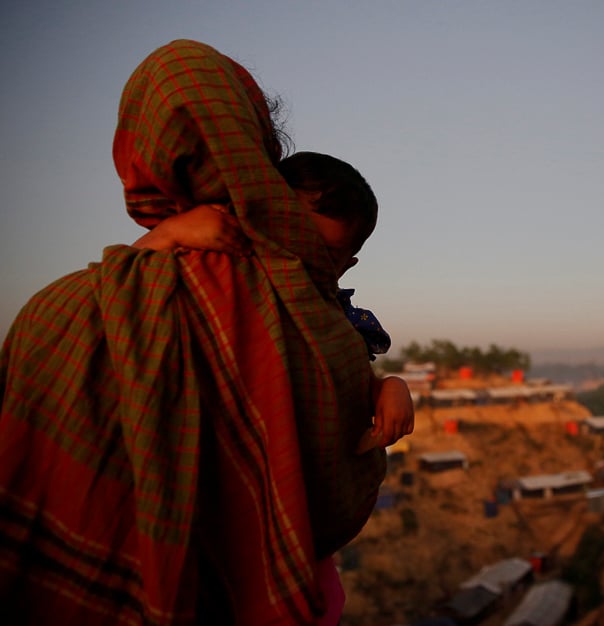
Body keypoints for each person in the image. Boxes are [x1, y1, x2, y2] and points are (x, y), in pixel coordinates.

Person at [0, 39, 401, 625]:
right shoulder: (301, 318)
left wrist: (386, 384)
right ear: (255, 148)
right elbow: (333, 491)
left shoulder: (62, 308)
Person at [134, 151, 414, 450]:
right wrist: (170, 234)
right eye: (290, 236)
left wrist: (392, 388)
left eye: (324, 254)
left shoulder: (337, 321)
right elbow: (119, 288)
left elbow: (352, 380)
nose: (300, 258)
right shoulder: (220, 270)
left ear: (346, 266)